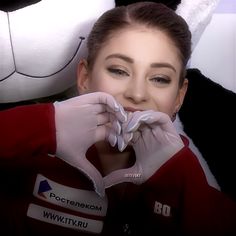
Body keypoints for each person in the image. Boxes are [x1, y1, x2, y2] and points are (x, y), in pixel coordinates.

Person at [0, 2, 235, 235]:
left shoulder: (188, 172)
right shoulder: (33, 148)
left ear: (179, 97)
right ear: (84, 77)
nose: (137, 93)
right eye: (119, 71)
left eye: (160, 78)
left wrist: (179, 178)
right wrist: (43, 126)